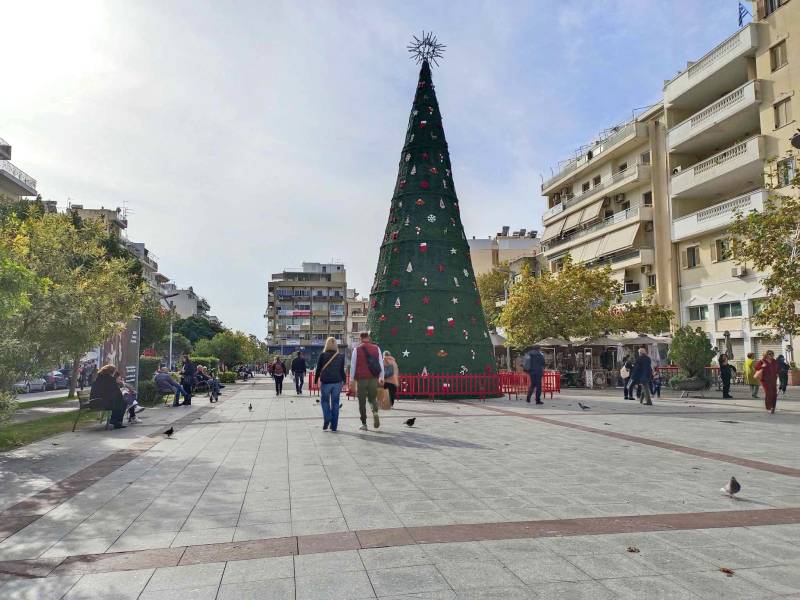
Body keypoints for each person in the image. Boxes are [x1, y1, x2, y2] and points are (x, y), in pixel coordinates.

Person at [350, 331, 384, 431]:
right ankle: (375, 412)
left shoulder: (357, 349)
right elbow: (380, 363)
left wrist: (352, 380)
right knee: (372, 398)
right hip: (373, 378)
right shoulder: (376, 348)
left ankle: (364, 423)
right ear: (368, 338)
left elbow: (353, 365)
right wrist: (381, 377)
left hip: (361, 379)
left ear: (360, 338)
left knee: (362, 401)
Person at [314, 337, 346, 431]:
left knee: (324, 401)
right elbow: (341, 371)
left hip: (326, 382)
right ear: (336, 345)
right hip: (337, 382)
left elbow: (318, 369)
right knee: (336, 403)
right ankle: (334, 426)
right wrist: (344, 380)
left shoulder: (322, 355)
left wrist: (316, 381)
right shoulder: (340, 356)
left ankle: (327, 417)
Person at [90, 365, 126, 429]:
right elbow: (116, 392)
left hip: (95, 401)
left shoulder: (98, 378)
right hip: (101, 402)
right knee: (123, 402)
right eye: (114, 372)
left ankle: (114, 420)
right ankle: (116, 422)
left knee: (118, 401)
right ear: (111, 372)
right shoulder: (110, 379)